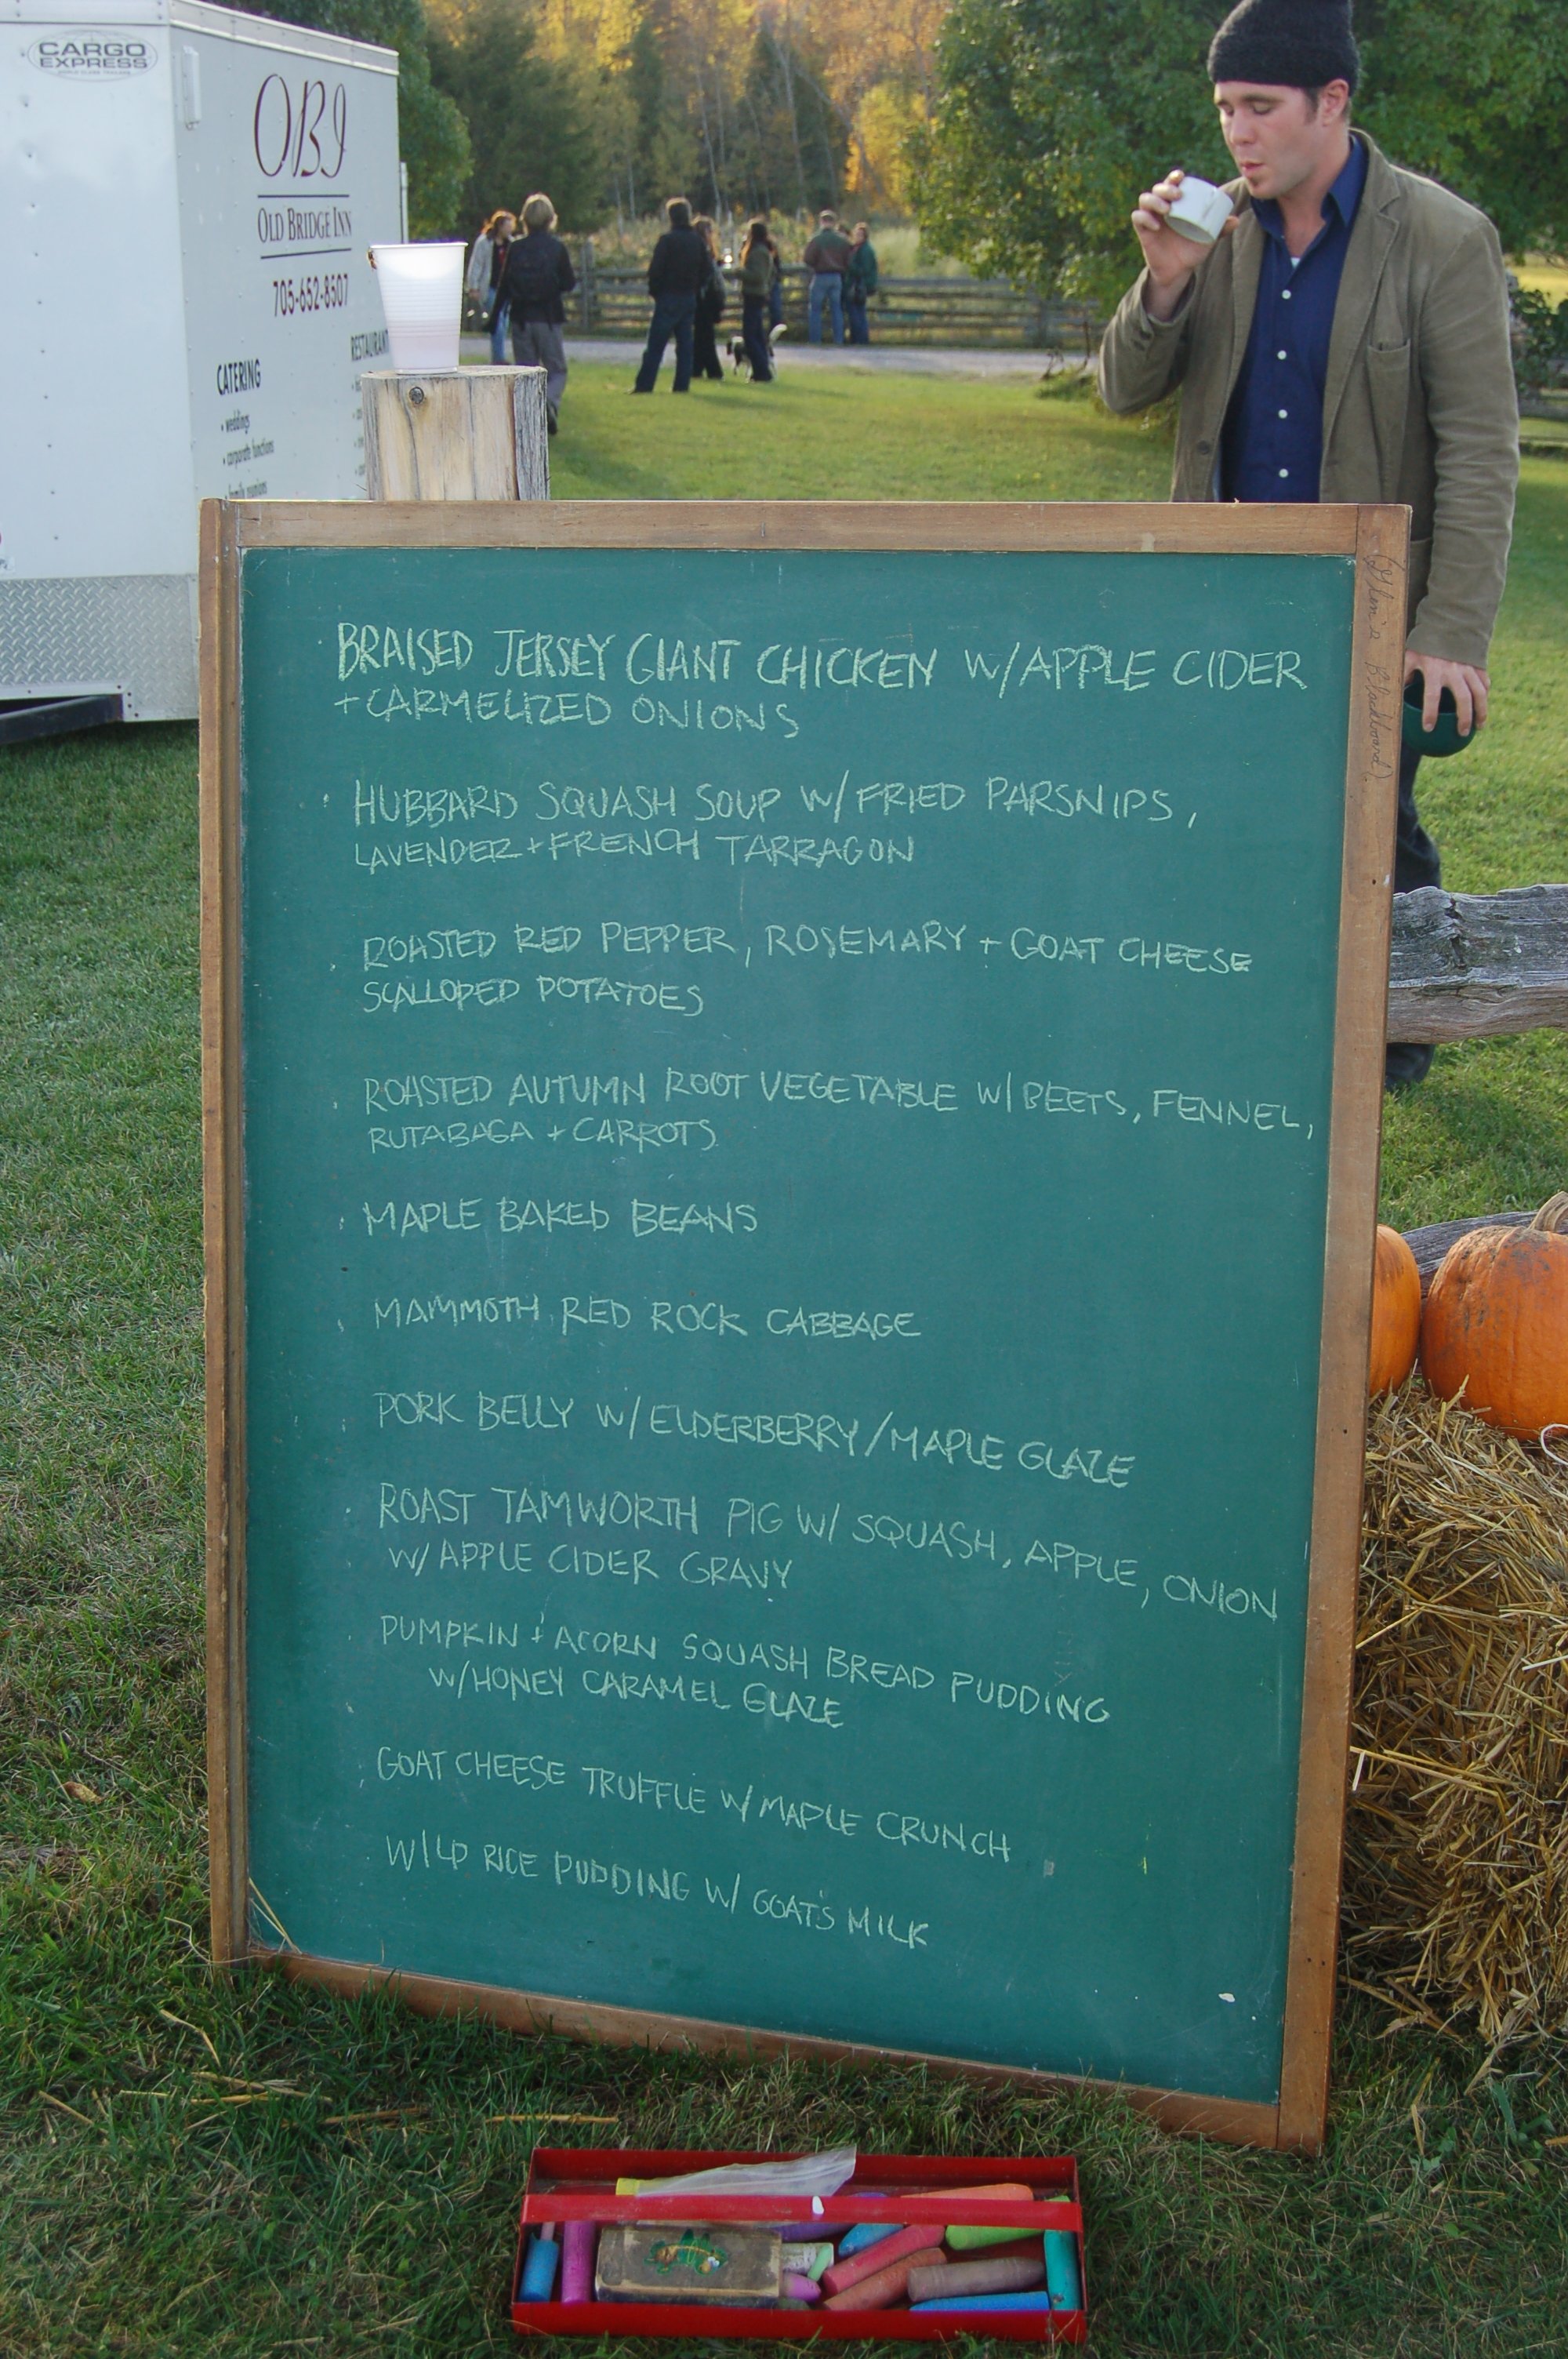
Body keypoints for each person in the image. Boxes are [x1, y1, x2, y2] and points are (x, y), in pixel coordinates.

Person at [1098, 0, 1518, 1091]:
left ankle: (1400, 1027)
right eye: (1224, 108)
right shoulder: (1212, 232)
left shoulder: (1441, 237)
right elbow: (1122, 390)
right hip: (1224, 604)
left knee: (1374, 822)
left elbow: (1480, 451)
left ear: (1332, 101)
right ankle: (1246, 1008)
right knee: (1229, 813)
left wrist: (1449, 631)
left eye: (1260, 106)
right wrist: (1164, 277)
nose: (1237, 132)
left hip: (1369, 608)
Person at [496, 194, 575, 432]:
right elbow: (569, 282)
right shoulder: (557, 248)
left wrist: (494, 318)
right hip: (548, 317)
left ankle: (531, 423)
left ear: (525, 220)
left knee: (527, 372)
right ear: (551, 219)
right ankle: (549, 402)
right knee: (556, 370)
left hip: (521, 318)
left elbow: (504, 285)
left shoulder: (516, 248)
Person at [633, 198, 709, 393]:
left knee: (655, 345)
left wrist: (656, 291)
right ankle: (681, 385)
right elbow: (706, 270)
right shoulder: (697, 241)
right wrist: (695, 288)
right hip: (688, 296)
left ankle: (645, 384)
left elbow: (655, 271)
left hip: (668, 296)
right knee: (685, 346)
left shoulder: (667, 240)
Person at [467, 210, 514, 362]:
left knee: (504, 323)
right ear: (500, 226)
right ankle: (499, 358)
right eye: (507, 226)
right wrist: (473, 286)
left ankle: (496, 357)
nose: (510, 229)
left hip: (507, 290)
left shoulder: (511, 244)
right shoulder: (485, 243)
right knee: (498, 322)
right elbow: (477, 264)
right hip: (490, 288)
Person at [802, 208, 853, 345]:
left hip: (821, 276)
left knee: (815, 310)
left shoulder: (816, 240)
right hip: (837, 277)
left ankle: (815, 340)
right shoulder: (843, 240)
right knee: (837, 309)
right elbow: (849, 260)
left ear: (821, 222)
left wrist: (816, 264)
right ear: (834, 223)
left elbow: (807, 259)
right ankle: (838, 340)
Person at [739, 218, 777, 380]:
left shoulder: (758, 252)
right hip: (757, 295)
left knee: (750, 335)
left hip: (754, 295)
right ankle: (762, 370)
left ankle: (761, 371)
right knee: (757, 335)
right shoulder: (763, 251)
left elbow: (758, 276)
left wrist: (739, 272)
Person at [691, 215, 728, 383]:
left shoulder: (703, 250)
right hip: (705, 297)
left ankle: (696, 368)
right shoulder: (703, 250)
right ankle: (714, 370)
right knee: (706, 334)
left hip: (705, 296)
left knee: (702, 334)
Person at [845, 221, 878, 344]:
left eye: (860, 235)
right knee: (856, 312)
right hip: (857, 285)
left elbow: (864, 270)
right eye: (856, 234)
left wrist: (850, 265)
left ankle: (860, 339)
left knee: (857, 313)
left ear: (865, 236)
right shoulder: (857, 248)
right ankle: (857, 338)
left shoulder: (866, 250)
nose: (857, 237)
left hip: (860, 286)